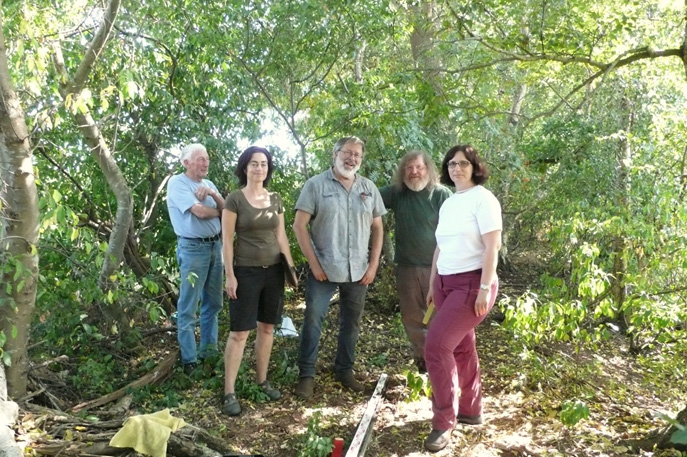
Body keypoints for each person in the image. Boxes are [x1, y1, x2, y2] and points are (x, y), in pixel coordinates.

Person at [293, 136, 386, 399]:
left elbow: (378, 227)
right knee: (313, 320)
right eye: (347, 153)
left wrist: (373, 263)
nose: (352, 158)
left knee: (351, 323)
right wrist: (314, 264)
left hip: (358, 270)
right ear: (334, 154)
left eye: (357, 155)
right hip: (323, 268)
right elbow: (299, 226)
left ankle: (344, 370)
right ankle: (306, 375)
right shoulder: (315, 185)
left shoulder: (368, 188)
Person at [423, 144, 502, 452]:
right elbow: (440, 247)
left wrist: (484, 289)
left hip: (471, 285)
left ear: (474, 167)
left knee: (436, 346)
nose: (456, 168)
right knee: (462, 348)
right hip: (444, 284)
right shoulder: (449, 202)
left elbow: (492, 248)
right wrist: (433, 284)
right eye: (452, 164)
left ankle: (443, 423)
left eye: (463, 163)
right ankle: (471, 408)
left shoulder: (484, 199)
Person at [220, 146, 298, 416]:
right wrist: (229, 275)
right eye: (254, 164)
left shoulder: (275, 198)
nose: (259, 168)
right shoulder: (234, 200)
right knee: (240, 332)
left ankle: (262, 381)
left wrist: (290, 268)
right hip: (245, 271)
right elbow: (227, 240)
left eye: (263, 164)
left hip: (274, 271)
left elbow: (281, 236)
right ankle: (229, 392)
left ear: (268, 168)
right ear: (245, 167)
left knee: (267, 328)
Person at [379, 150, 452, 373]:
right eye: (409, 168)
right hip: (407, 267)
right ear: (402, 172)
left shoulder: (441, 195)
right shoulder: (397, 194)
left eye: (419, 167)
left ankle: (441, 359)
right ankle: (422, 361)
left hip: (438, 268)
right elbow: (367, 195)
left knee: (439, 315)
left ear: (428, 169)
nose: (414, 172)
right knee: (412, 316)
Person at [166, 143, 224, 374]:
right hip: (192, 249)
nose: (205, 162)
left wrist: (212, 195)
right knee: (189, 306)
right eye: (200, 159)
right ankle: (190, 361)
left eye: (207, 158)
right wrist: (220, 211)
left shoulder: (208, 184)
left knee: (214, 303)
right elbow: (199, 211)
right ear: (186, 163)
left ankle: (209, 353)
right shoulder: (177, 183)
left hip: (215, 247)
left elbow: (228, 208)